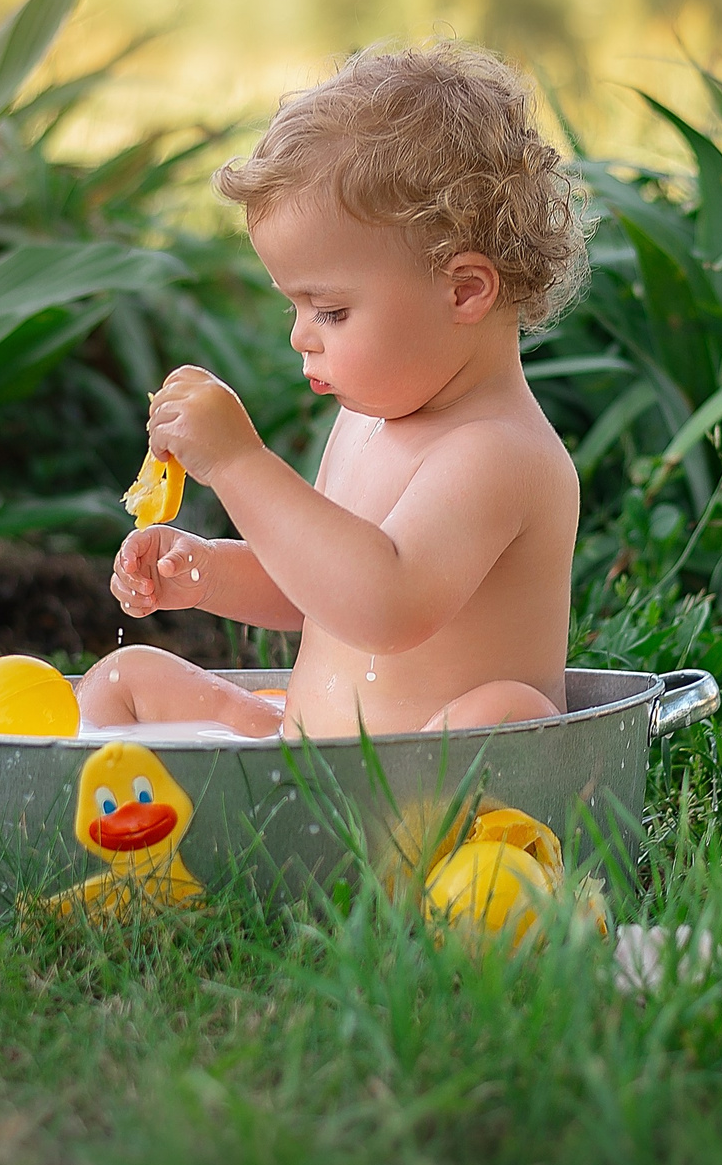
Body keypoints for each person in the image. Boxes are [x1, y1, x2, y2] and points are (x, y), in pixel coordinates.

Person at [85, 43, 588, 739]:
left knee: (505, 714)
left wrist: (239, 464)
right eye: (296, 306)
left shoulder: (499, 455)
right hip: (311, 754)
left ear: (464, 290)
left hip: (417, 777)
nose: (302, 335)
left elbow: (382, 604)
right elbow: (320, 587)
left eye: (332, 310)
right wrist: (202, 571)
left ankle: (427, 846)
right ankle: (135, 838)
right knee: (126, 676)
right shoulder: (371, 422)